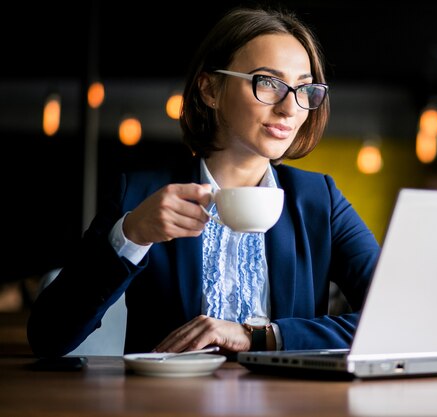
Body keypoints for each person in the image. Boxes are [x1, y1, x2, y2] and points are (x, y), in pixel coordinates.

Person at [27, 6, 380, 357]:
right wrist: (131, 235)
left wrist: (259, 336)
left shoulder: (320, 200)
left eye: (305, 89)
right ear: (210, 90)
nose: (290, 108)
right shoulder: (140, 197)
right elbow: (47, 336)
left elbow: (400, 320)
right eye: (269, 83)